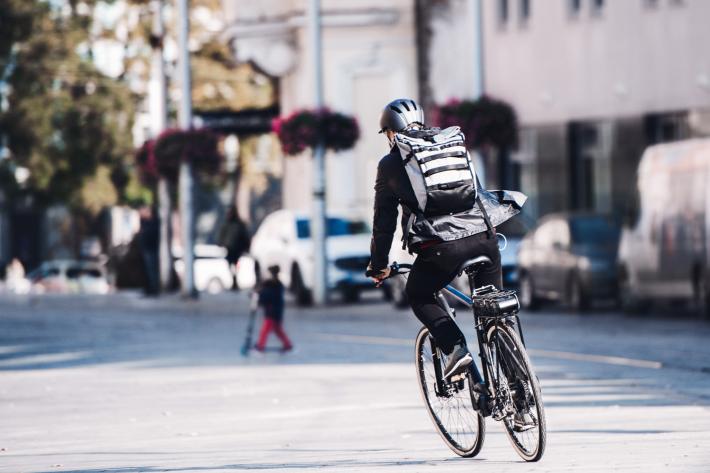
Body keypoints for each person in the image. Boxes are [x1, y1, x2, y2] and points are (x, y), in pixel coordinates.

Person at [367, 98, 524, 381]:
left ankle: (455, 349)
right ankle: (521, 398)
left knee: (419, 293)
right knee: (495, 313)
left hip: (442, 248)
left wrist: (378, 265)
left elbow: (384, 222)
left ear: (391, 132)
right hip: (484, 236)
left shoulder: (391, 163)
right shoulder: (451, 144)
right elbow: (475, 190)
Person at [255, 265, 293, 353]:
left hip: (272, 312)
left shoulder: (273, 286)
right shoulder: (271, 285)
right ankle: (287, 344)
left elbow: (267, 296)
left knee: (265, 330)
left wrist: (259, 296)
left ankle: (260, 345)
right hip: (274, 311)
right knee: (277, 329)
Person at [218, 206, 251, 290]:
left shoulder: (239, 224)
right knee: (230, 265)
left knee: (236, 265)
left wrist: (246, 247)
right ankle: (233, 280)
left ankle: (235, 280)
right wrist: (221, 243)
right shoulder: (227, 224)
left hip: (237, 249)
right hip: (229, 249)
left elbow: (245, 236)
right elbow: (222, 235)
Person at [137, 205, 160, 296]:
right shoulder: (145, 222)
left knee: (152, 270)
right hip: (146, 249)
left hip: (151, 249)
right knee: (147, 270)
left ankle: (153, 288)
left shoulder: (154, 223)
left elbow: (150, 234)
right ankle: (149, 288)